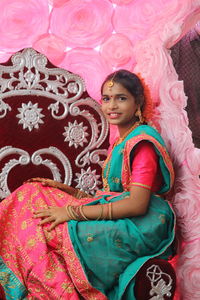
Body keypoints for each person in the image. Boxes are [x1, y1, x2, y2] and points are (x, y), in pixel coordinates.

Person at [0, 70, 175, 300]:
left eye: (121, 98)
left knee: (46, 227)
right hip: (121, 212)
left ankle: (56, 292)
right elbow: (114, 195)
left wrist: (70, 212)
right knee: (31, 193)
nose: (112, 105)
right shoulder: (123, 139)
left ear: (138, 103)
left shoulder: (142, 142)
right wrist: (68, 191)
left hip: (140, 224)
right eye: (106, 98)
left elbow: (136, 204)